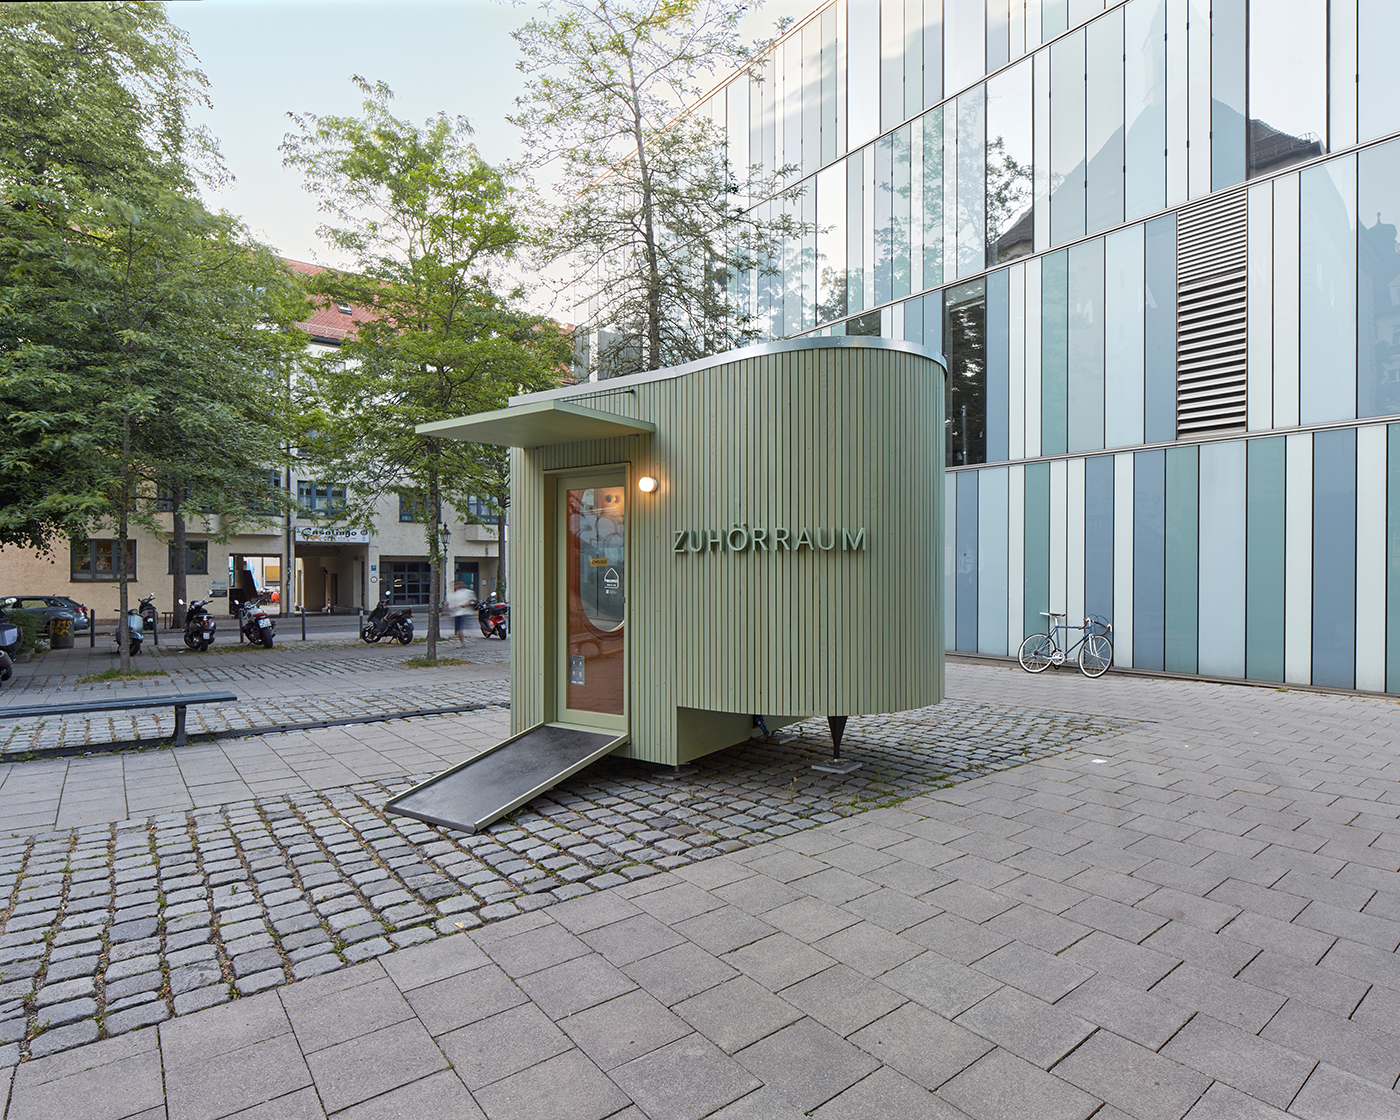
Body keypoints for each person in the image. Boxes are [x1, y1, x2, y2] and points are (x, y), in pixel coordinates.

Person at [446, 580, 472, 645]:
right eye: (456, 584)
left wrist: (464, 605)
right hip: (456, 613)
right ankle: (462, 640)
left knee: (460, 628)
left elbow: (471, 601)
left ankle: (462, 641)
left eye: (458, 584)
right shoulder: (454, 594)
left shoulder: (467, 592)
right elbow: (451, 604)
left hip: (464, 612)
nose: (457, 585)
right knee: (459, 628)